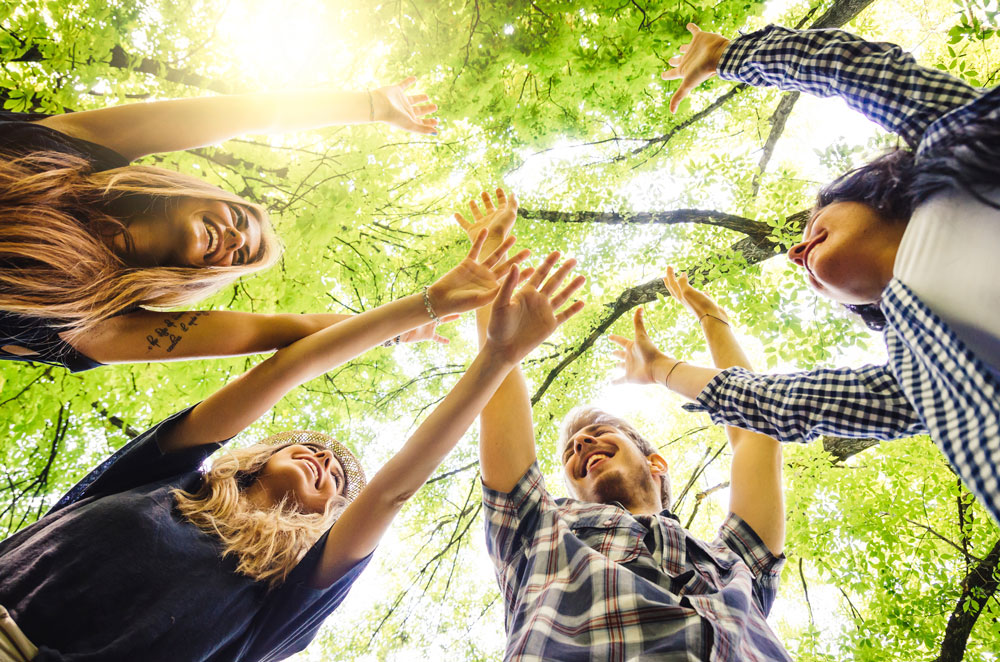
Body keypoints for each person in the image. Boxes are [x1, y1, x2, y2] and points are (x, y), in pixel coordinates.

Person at [0, 228, 586, 662]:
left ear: (330, 518)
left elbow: (389, 494)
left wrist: (497, 359)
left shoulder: (281, 599)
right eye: (310, 447)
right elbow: (282, 371)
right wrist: (425, 305)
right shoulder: (166, 481)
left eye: (339, 479)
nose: (326, 459)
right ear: (258, 458)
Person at [661, 24, 1000, 521]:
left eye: (814, 221)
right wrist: (661, 370)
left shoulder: (954, 151)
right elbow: (787, 405)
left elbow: (854, 69)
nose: (798, 252)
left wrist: (731, 56)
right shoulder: (915, 373)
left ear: (870, 190)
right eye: (805, 269)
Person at [461, 195, 788, 659]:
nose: (580, 443)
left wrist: (713, 322)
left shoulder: (735, 562)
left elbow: (759, 432)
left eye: (600, 429)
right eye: (570, 450)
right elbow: (498, 383)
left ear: (656, 461)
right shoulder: (538, 529)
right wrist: (490, 259)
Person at [0, 78, 440, 371]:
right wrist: (374, 105)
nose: (234, 237)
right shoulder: (77, 152)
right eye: (239, 218)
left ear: (205, 277)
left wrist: (395, 325)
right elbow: (249, 113)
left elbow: (278, 329)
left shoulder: (100, 322)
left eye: (242, 254)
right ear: (197, 193)